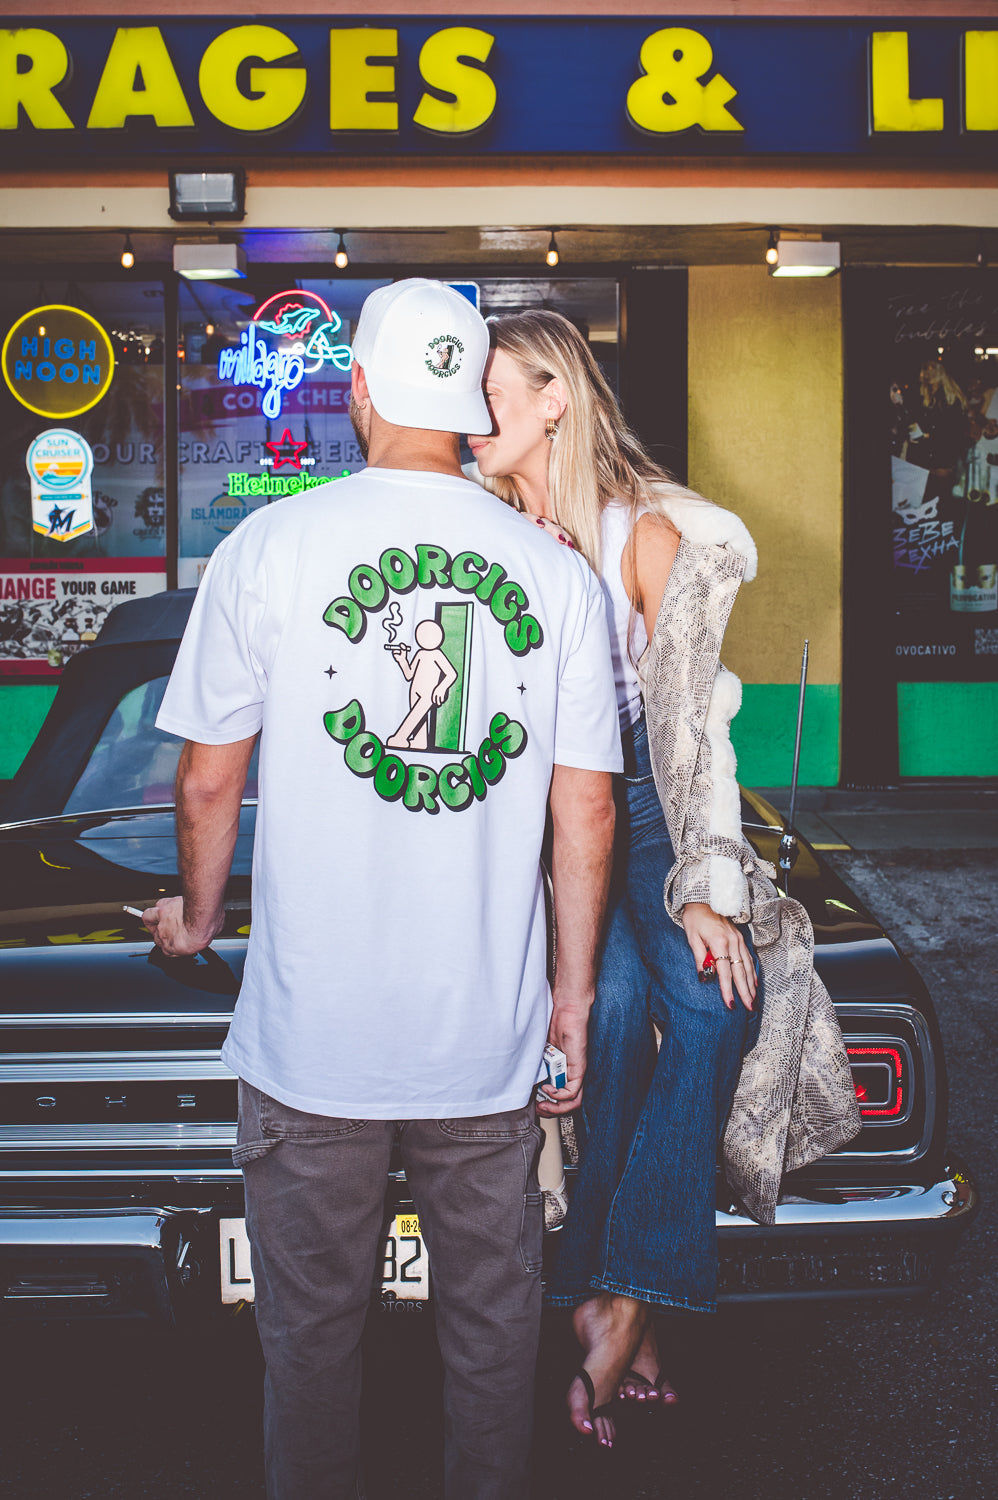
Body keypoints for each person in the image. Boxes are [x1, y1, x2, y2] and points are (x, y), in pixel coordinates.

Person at [143, 280, 622, 1500]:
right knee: (490, 1338)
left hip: (314, 1047)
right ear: (470, 406)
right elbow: (585, 811)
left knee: (309, 1346)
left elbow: (207, 783)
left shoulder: (267, 548)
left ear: (357, 389)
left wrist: (197, 917)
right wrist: (569, 1004)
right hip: (487, 1047)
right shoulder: (552, 572)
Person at [470, 309, 859, 1449]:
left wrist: (705, 879)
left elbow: (692, 731)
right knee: (616, 1011)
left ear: (553, 399)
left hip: (639, 804)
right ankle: (619, 1299)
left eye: (491, 391)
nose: (470, 414)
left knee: (714, 998)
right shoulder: (472, 527)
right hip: (515, 816)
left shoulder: (640, 535)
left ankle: (617, 1294)